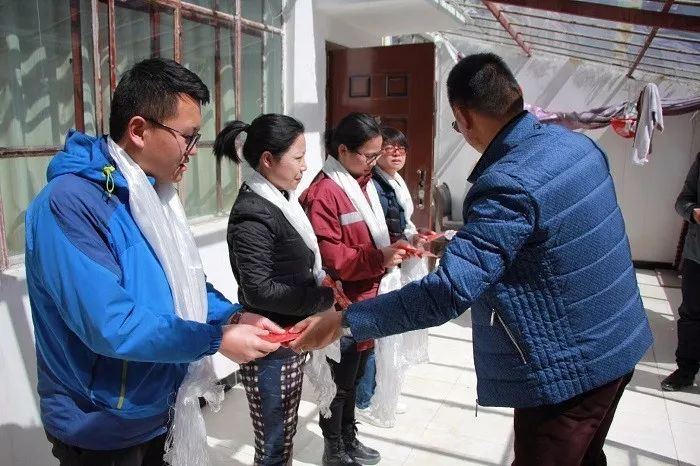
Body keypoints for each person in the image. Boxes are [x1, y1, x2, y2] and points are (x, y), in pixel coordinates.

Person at [290, 53, 653, 466]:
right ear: (516, 93)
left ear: (462, 116)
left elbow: (448, 291)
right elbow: (550, 234)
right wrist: (453, 245)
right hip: (620, 337)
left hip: (571, 366)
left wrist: (345, 321)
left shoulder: (507, 181)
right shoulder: (577, 146)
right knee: (586, 456)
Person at [25, 58, 283, 466]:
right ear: (139, 130)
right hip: (101, 425)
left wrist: (232, 317)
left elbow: (182, 286)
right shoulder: (71, 203)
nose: (193, 151)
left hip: (158, 403)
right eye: (188, 137)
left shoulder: (150, 193)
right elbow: (110, 324)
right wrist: (215, 339)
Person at [213, 114, 336, 465]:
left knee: (282, 435)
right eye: (298, 157)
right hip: (270, 343)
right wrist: (323, 297)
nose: (305, 166)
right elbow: (259, 290)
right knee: (274, 442)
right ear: (268, 159)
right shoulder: (253, 213)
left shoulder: (281, 200)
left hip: (288, 335)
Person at [299, 113, 408, 466]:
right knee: (339, 382)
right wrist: (379, 258)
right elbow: (331, 257)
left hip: (368, 297)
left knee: (356, 375)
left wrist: (397, 246)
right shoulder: (325, 193)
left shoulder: (362, 183)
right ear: (343, 150)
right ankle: (333, 448)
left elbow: (372, 234)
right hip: (343, 303)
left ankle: (348, 436)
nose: (374, 163)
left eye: (377, 155)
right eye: (369, 156)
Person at [354, 127, 428, 427]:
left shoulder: (394, 183)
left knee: (387, 337)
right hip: (378, 266)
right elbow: (380, 231)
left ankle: (379, 392)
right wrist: (403, 244)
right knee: (375, 337)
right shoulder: (373, 184)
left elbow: (399, 225)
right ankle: (364, 399)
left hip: (392, 264)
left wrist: (414, 238)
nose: (397, 153)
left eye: (402, 148)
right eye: (390, 147)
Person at [661, 152, 700, 391]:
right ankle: (685, 370)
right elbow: (682, 201)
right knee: (691, 315)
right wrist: (694, 212)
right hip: (697, 255)